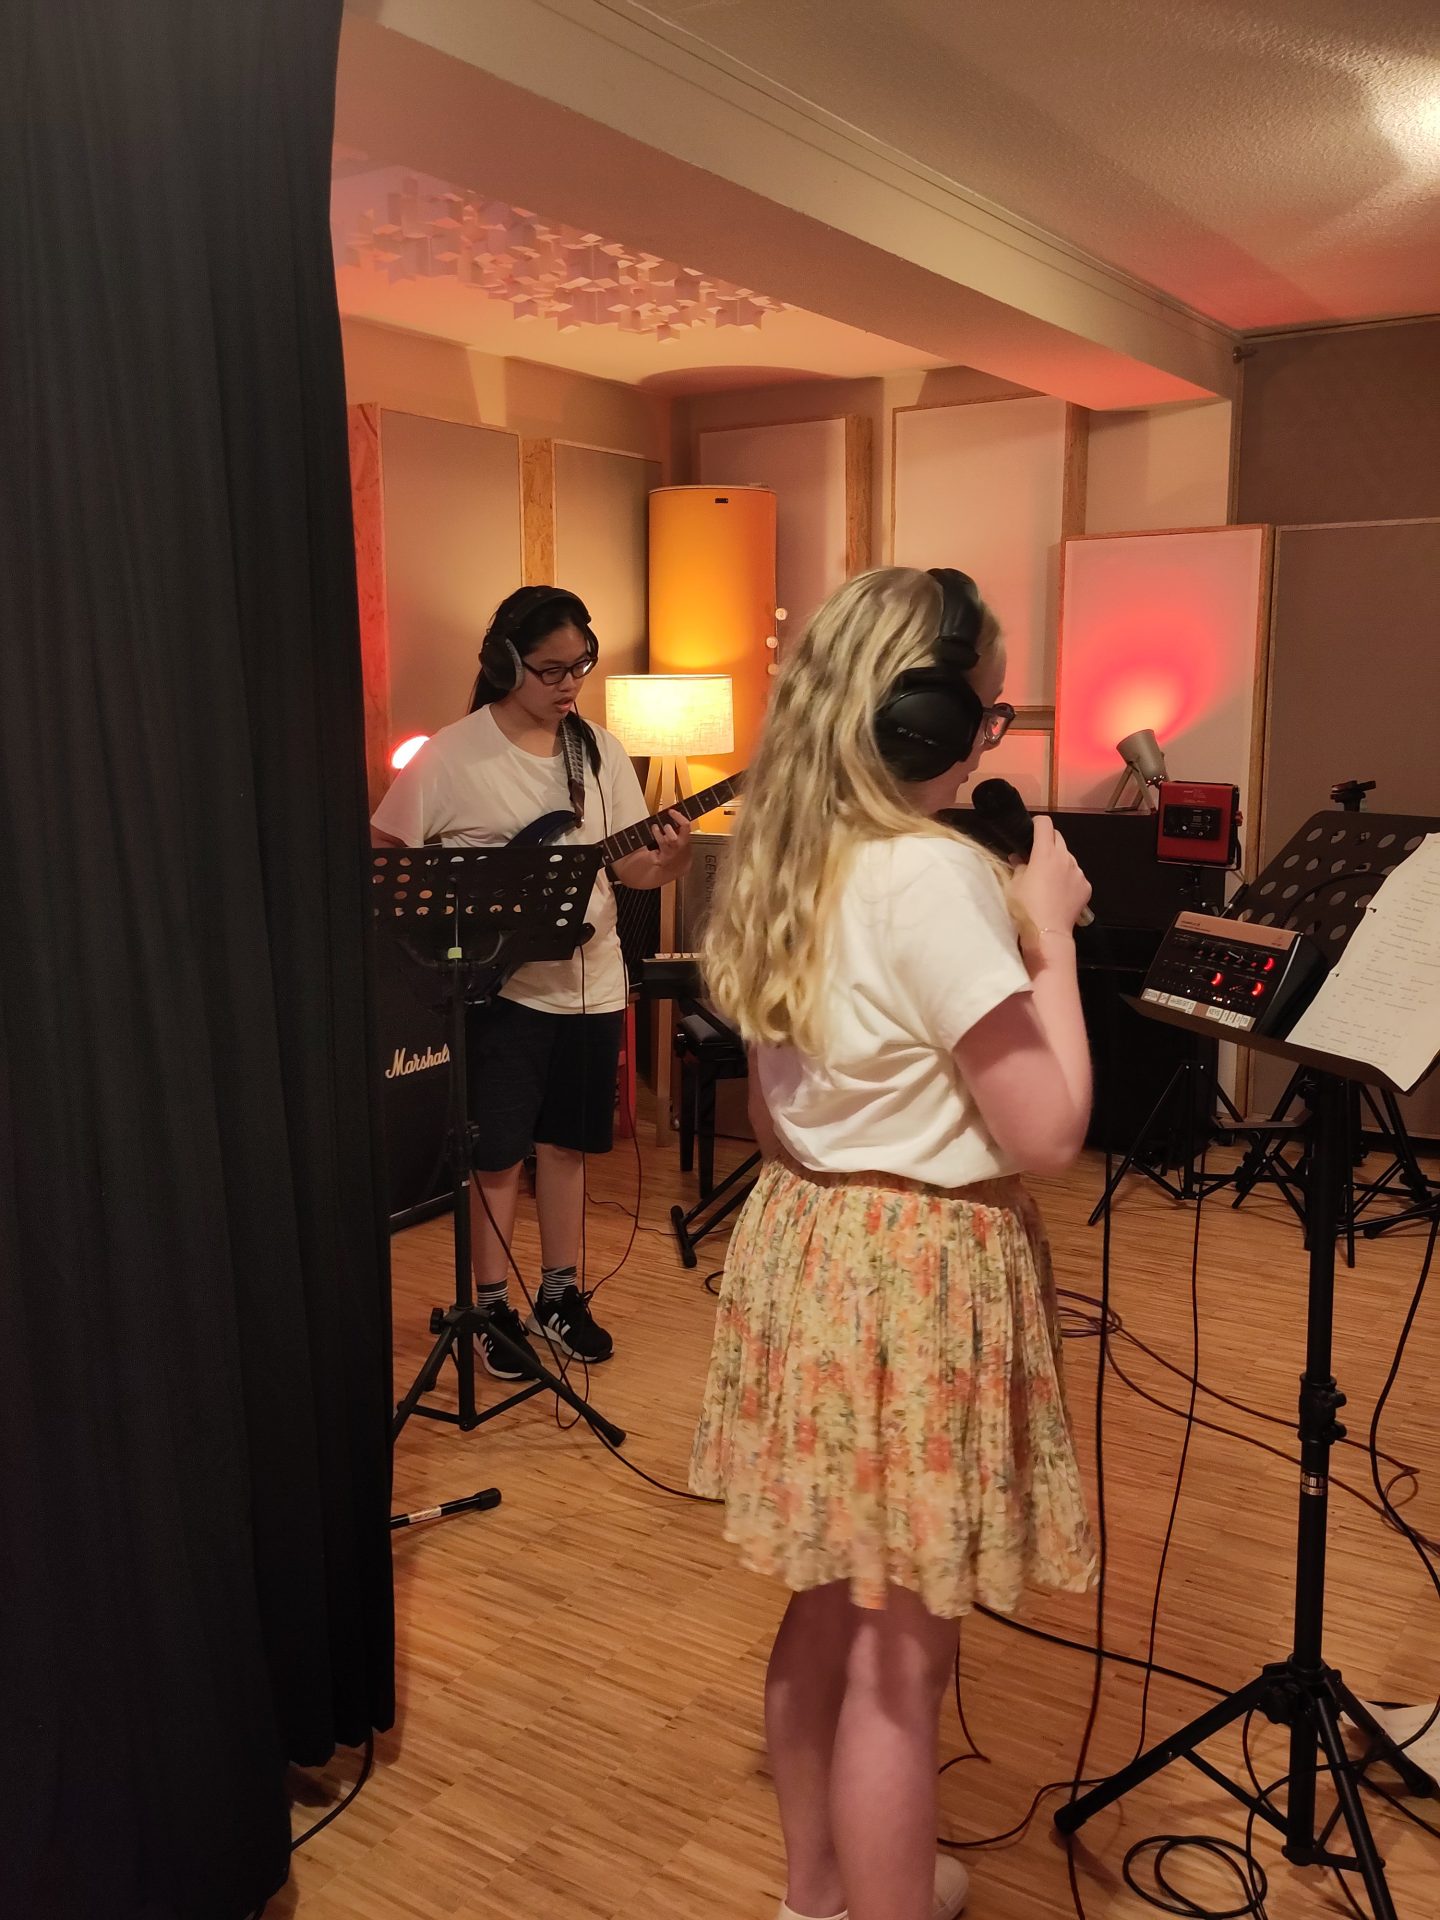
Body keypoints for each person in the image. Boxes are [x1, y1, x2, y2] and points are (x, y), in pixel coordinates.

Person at [691, 567, 1096, 1920]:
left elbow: (773, 1115)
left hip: (814, 1244)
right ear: (925, 719)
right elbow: (1048, 1131)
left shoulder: (783, 853)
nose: (991, 738)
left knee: (829, 1606)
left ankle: (822, 1894)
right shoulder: (932, 875)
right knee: (901, 1660)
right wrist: (1053, 939)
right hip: (918, 1269)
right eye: (988, 712)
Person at [373, 585, 691, 1372]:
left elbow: (633, 869)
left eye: (581, 666)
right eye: (552, 670)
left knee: (569, 1147)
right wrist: (455, 923)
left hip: (594, 980)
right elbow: (387, 854)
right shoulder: (454, 753)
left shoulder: (599, 751)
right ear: (504, 664)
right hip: (504, 989)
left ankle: (558, 1295)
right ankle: (489, 1308)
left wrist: (671, 861)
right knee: (497, 1155)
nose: (569, 684)